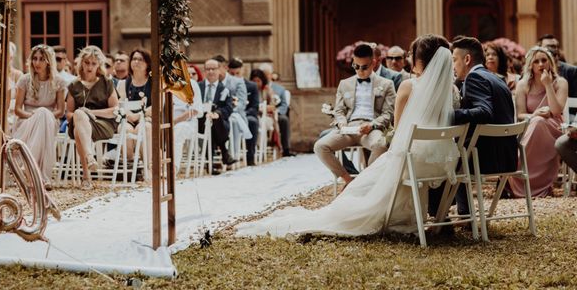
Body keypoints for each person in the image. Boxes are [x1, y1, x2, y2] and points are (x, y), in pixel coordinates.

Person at [236, 34, 458, 237]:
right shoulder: (453, 90)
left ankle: (376, 201)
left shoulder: (409, 86)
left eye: (411, 55)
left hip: (408, 161)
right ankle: (358, 183)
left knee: (366, 188)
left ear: (421, 59)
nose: (409, 59)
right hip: (440, 163)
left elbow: (398, 132)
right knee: (354, 167)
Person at [430, 36, 517, 218]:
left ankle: (445, 215)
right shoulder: (496, 78)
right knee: (457, 152)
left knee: (444, 157)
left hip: (485, 158)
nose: (453, 65)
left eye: (454, 60)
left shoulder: (474, 77)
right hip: (507, 156)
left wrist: (448, 115)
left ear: (467, 59)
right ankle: (464, 214)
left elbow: (485, 112)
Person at [314, 43, 396, 186]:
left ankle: (366, 183)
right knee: (320, 146)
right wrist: (342, 123)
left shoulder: (387, 84)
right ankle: (349, 181)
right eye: (356, 66)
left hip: (371, 128)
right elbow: (339, 110)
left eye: (364, 67)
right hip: (349, 128)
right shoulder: (344, 84)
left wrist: (372, 125)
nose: (360, 71)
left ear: (373, 63)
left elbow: (388, 113)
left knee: (381, 144)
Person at [509, 46, 567, 197]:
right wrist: (534, 114)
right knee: (537, 122)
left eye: (544, 60)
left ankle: (516, 167)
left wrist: (548, 84)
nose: (541, 64)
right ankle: (519, 181)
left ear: (550, 62)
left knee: (539, 123)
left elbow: (556, 111)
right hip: (531, 125)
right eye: (536, 61)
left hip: (554, 127)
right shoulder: (523, 84)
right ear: (530, 65)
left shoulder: (560, 82)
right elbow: (520, 114)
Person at [66, 46, 118, 189]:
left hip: (103, 124)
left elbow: (115, 110)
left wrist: (91, 113)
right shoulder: (74, 85)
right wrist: (81, 115)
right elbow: (68, 113)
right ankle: (90, 156)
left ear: (99, 65)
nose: (89, 67)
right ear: (81, 63)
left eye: (93, 63)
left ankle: (86, 176)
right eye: (87, 62)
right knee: (78, 116)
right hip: (79, 123)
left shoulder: (106, 83)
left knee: (79, 125)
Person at [13, 45, 65, 189]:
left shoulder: (58, 81)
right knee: (41, 116)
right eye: (35, 59)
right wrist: (34, 116)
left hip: (50, 121)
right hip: (26, 121)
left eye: (41, 59)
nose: (37, 63)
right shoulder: (24, 80)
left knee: (43, 115)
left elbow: (60, 111)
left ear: (49, 61)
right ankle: (41, 176)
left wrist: (44, 115)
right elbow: (17, 110)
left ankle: (31, 169)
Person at [113, 48, 153, 164]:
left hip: (147, 119)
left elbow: (157, 106)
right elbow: (119, 105)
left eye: (140, 59)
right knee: (123, 128)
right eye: (134, 59)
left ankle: (147, 165)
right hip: (129, 118)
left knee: (144, 128)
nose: (136, 62)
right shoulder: (124, 83)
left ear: (147, 63)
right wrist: (130, 115)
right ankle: (129, 164)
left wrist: (140, 115)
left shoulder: (154, 82)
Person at [198, 59, 235, 173]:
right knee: (209, 123)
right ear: (204, 71)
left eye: (213, 69)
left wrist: (217, 114)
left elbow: (228, 108)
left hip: (219, 122)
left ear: (219, 70)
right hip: (200, 121)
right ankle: (224, 151)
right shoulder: (198, 87)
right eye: (208, 69)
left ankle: (210, 165)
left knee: (214, 121)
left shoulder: (224, 89)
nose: (210, 71)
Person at [213, 55, 250, 162]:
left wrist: (228, 110)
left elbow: (242, 103)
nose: (213, 71)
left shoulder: (237, 82)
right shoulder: (212, 83)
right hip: (217, 115)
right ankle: (209, 156)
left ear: (225, 67)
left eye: (216, 67)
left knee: (232, 120)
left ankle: (232, 154)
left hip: (234, 114)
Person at [228, 57, 260, 165]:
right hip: (230, 114)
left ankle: (250, 156)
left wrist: (244, 113)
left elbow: (255, 106)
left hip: (247, 114)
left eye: (237, 73)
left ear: (242, 70)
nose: (235, 76)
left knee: (252, 122)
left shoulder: (252, 86)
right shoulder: (227, 84)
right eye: (232, 74)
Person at [258, 63, 294, 157]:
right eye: (263, 74)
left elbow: (284, 105)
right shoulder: (257, 86)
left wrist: (276, 112)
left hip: (275, 113)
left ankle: (286, 148)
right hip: (260, 112)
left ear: (271, 74)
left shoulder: (280, 89)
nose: (266, 76)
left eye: (267, 74)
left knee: (284, 120)